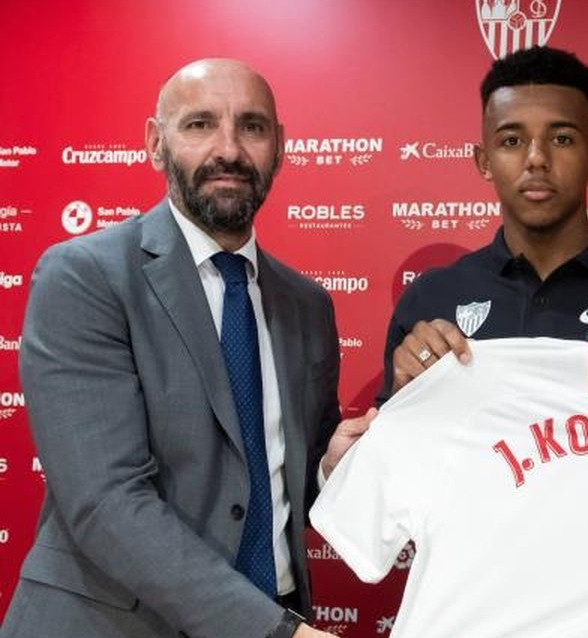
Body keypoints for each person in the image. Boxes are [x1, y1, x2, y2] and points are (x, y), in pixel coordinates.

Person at [1, 59, 370, 638]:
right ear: (155, 142)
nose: (228, 149)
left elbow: (272, 483)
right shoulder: (85, 277)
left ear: (280, 146)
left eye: (252, 127)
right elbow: (106, 501)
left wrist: (325, 466)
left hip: (277, 610)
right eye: (199, 124)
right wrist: (276, 632)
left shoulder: (307, 304)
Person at [376, 46, 588, 404]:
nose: (536, 158)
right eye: (511, 141)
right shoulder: (430, 298)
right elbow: (389, 449)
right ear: (484, 160)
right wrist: (403, 396)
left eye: (562, 139)